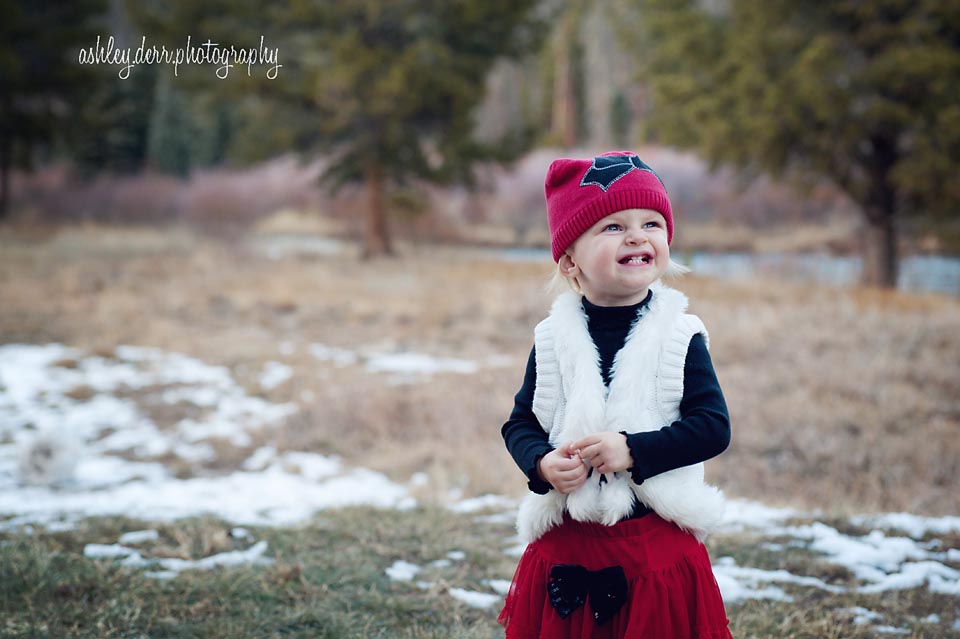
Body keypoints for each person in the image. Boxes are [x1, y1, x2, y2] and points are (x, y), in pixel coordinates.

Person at [498, 151, 733, 638]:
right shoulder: (554, 338)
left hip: (653, 547)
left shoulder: (679, 337)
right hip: (569, 546)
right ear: (568, 260)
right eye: (612, 227)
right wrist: (541, 464)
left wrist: (633, 449)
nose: (636, 236)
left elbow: (712, 427)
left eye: (652, 223)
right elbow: (520, 424)